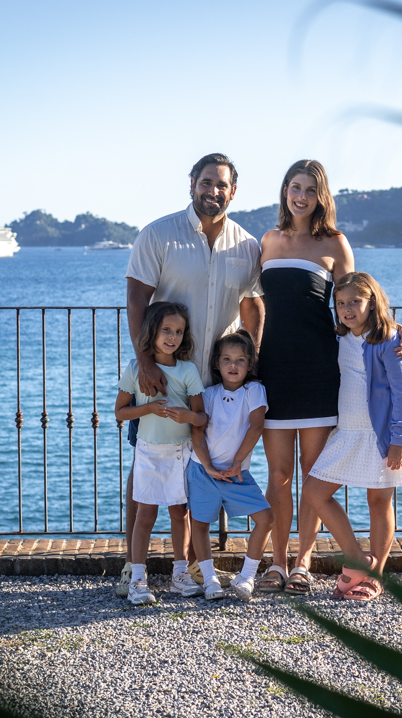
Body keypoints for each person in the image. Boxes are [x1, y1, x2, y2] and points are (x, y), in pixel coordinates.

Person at [255, 160, 402, 596]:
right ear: (285, 190)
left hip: (322, 371)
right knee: (279, 473)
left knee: (314, 470)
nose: (300, 195)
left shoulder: (335, 243)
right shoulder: (267, 241)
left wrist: (398, 331)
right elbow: (252, 304)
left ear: (321, 196)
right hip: (274, 370)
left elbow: (357, 302)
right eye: (294, 186)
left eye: (309, 189)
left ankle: (304, 562)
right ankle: (278, 562)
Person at [117, 153, 264, 597]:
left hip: (215, 390)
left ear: (233, 191)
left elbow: (253, 303)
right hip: (164, 379)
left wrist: (248, 360)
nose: (212, 191)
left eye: (221, 184)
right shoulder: (159, 234)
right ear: (192, 184)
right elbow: (137, 297)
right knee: (144, 470)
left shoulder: (247, 244)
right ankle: (132, 565)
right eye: (205, 182)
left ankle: (194, 566)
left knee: (202, 473)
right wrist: (144, 362)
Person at [303, 272, 402, 601]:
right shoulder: (340, 336)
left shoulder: (389, 339)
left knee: (378, 502)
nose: (347, 308)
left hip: (380, 435)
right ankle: (356, 560)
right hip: (347, 432)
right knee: (314, 490)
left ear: (372, 302)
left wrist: (400, 439)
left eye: (355, 301)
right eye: (341, 303)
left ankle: (376, 575)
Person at [115, 302, 207, 605]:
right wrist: (149, 409)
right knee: (145, 514)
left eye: (178, 331)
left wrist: (187, 417)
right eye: (166, 330)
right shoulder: (134, 369)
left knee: (181, 513)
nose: (172, 336)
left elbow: (201, 417)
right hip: (148, 452)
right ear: (152, 331)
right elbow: (120, 411)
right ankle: (138, 578)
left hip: (182, 452)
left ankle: (180, 573)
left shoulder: (187, 370)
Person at [186, 330, 275, 602]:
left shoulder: (254, 390)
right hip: (203, 471)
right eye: (227, 359)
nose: (233, 365)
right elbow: (197, 431)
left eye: (240, 360)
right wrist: (208, 466)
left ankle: (246, 576)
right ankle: (210, 579)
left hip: (237, 473)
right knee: (199, 524)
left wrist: (237, 463)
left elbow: (257, 426)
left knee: (266, 518)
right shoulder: (208, 393)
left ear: (249, 365)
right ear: (216, 363)